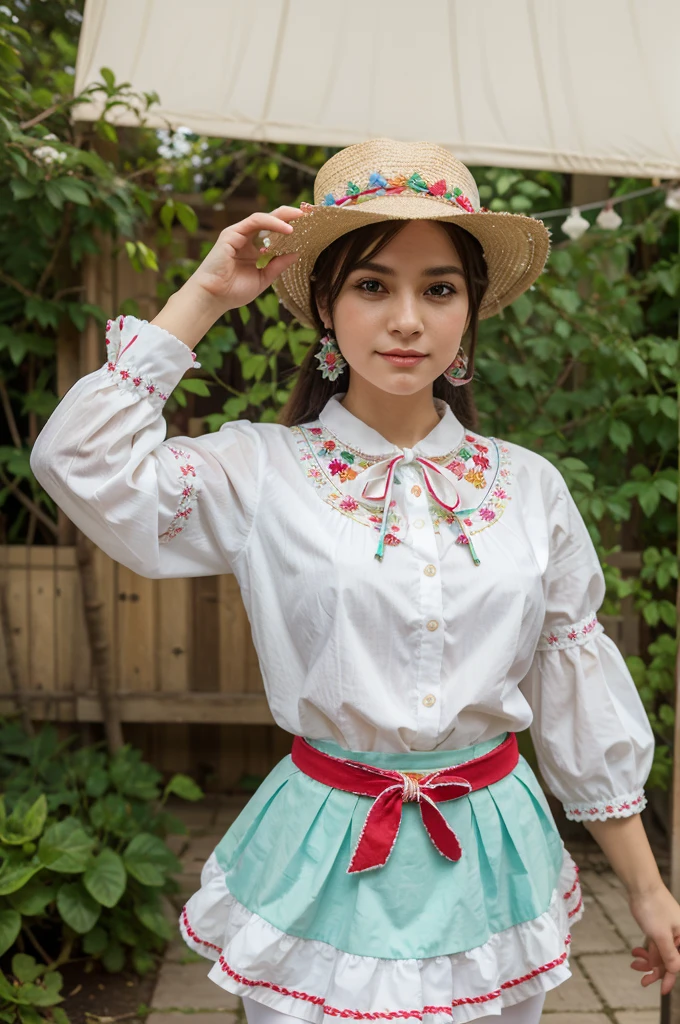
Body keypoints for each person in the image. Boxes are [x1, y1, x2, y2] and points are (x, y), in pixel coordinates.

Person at [29, 137, 680, 1023]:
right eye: (373, 285)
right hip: (320, 849)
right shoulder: (260, 471)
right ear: (327, 306)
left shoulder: (531, 487)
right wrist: (205, 295)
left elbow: (576, 693)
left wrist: (645, 889)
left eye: (438, 288)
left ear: (469, 314)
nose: (406, 318)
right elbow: (81, 459)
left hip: (493, 853)